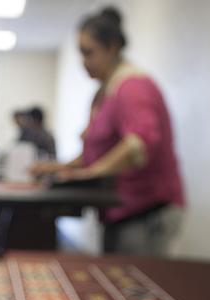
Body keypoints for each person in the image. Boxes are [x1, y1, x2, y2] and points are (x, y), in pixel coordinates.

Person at [32, 7, 185, 255]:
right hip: (119, 211)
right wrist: (60, 168)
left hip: (145, 211)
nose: (84, 62)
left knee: (136, 285)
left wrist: (90, 173)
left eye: (88, 53)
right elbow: (98, 152)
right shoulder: (105, 93)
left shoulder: (133, 87)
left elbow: (138, 144)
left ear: (112, 47)